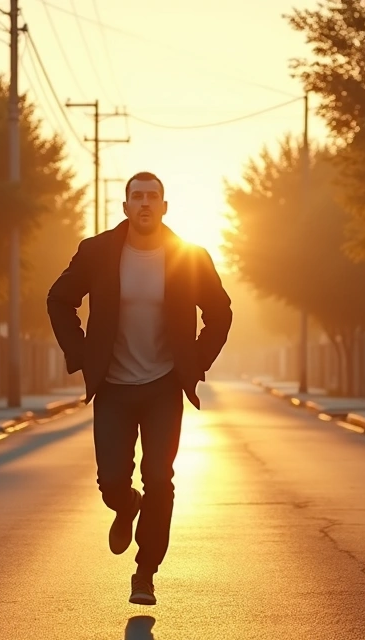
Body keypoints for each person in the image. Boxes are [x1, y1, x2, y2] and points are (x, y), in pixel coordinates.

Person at [46, 171, 233, 606]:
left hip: (163, 387)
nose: (145, 203)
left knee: (160, 479)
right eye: (137, 196)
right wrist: (81, 353)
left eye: (153, 197)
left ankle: (145, 573)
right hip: (113, 387)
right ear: (126, 206)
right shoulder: (96, 252)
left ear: (164, 207)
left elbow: (220, 313)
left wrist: (195, 362)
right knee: (111, 481)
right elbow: (59, 299)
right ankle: (125, 505)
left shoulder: (190, 257)